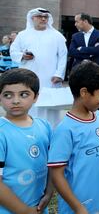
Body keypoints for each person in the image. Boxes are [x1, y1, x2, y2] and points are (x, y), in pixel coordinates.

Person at [47, 61, 99, 214]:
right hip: (80, 206)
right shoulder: (65, 130)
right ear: (84, 92)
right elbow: (56, 175)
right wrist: (78, 207)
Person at [0, 68, 53, 214]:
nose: (15, 100)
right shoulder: (1, 132)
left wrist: (49, 193)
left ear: (35, 96)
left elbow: (52, 165)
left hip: (39, 207)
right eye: (8, 95)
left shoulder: (45, 126)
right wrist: (25, 211)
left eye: (24, 94)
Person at [10, 7, 68, 127]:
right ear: (32, 18)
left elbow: (63, 56)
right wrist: (23, 56)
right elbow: (13, 51)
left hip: (50, 78)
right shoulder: (23, 35)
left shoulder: (56, 35)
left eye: (45, 17)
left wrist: (59, 74)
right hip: (28, 76)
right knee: (29, 101)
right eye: (39, 17)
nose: (43, 19)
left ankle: (50, 131)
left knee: (49, 106)